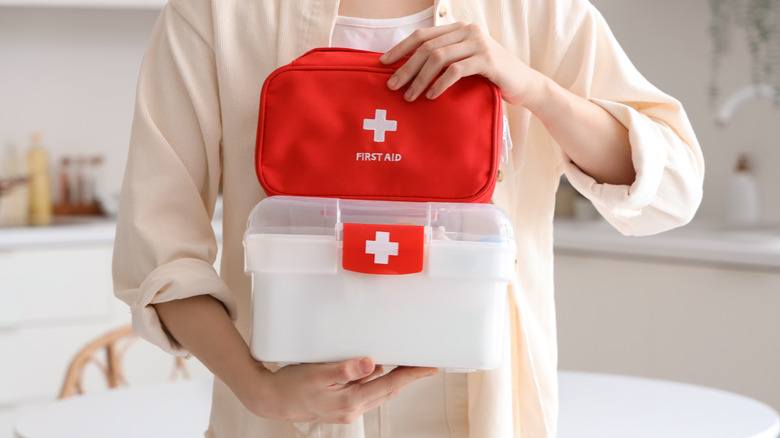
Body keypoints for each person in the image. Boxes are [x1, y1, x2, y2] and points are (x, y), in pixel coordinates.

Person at [112, 0, 704, 436]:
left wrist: (534, 89)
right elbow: (159, 253)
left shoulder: (536, 13)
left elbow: (674, 185)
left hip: (485, 414)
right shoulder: (216, 13)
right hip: (282, 418)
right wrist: (258, 389)